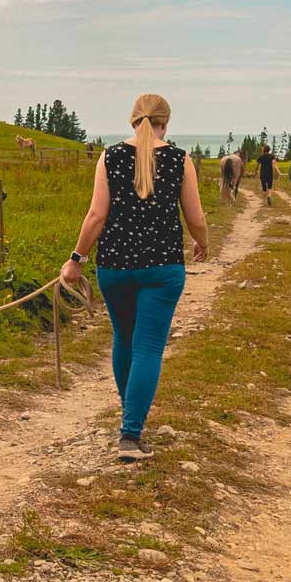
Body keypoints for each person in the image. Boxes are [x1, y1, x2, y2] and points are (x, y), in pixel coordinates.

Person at [60, 94, 209, 460]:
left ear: (132, 121)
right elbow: (195, 216)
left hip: (115, 267)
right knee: (148, 347)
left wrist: (76, 260)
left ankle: (130, 419)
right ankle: (130, 432)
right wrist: (202, 244)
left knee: (124, 340)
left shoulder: (109, 156)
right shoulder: (179, 158)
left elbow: (96, 216)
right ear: (166, 123)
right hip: (162, 268)